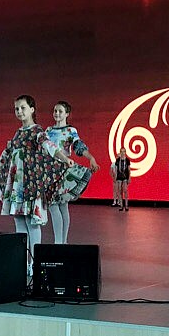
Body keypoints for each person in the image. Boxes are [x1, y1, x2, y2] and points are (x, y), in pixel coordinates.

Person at [0, 95, 87, 276]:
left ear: (32, 109)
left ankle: (35, 262)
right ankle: (23, 261)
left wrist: (65, 158)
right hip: (18, 185)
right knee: (19, 221)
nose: (19, 111)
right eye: (17, 108)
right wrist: (0, 167)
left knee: (31, 221)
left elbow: (50, 147)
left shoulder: (37, 131)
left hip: (31, 183)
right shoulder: (18, 133)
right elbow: (8, 153)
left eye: (23, 108)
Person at [46, 101, 98, 243]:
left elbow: (78, 146)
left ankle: (61, 242)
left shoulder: (70, 131)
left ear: (67, 114)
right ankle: (61, 242)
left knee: (59, 204)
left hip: (63, 169)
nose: (57, 113)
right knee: (55, 205)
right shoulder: (48, 130)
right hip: (49, 171)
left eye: (60, 111)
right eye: (55, 111)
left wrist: (90, 158)